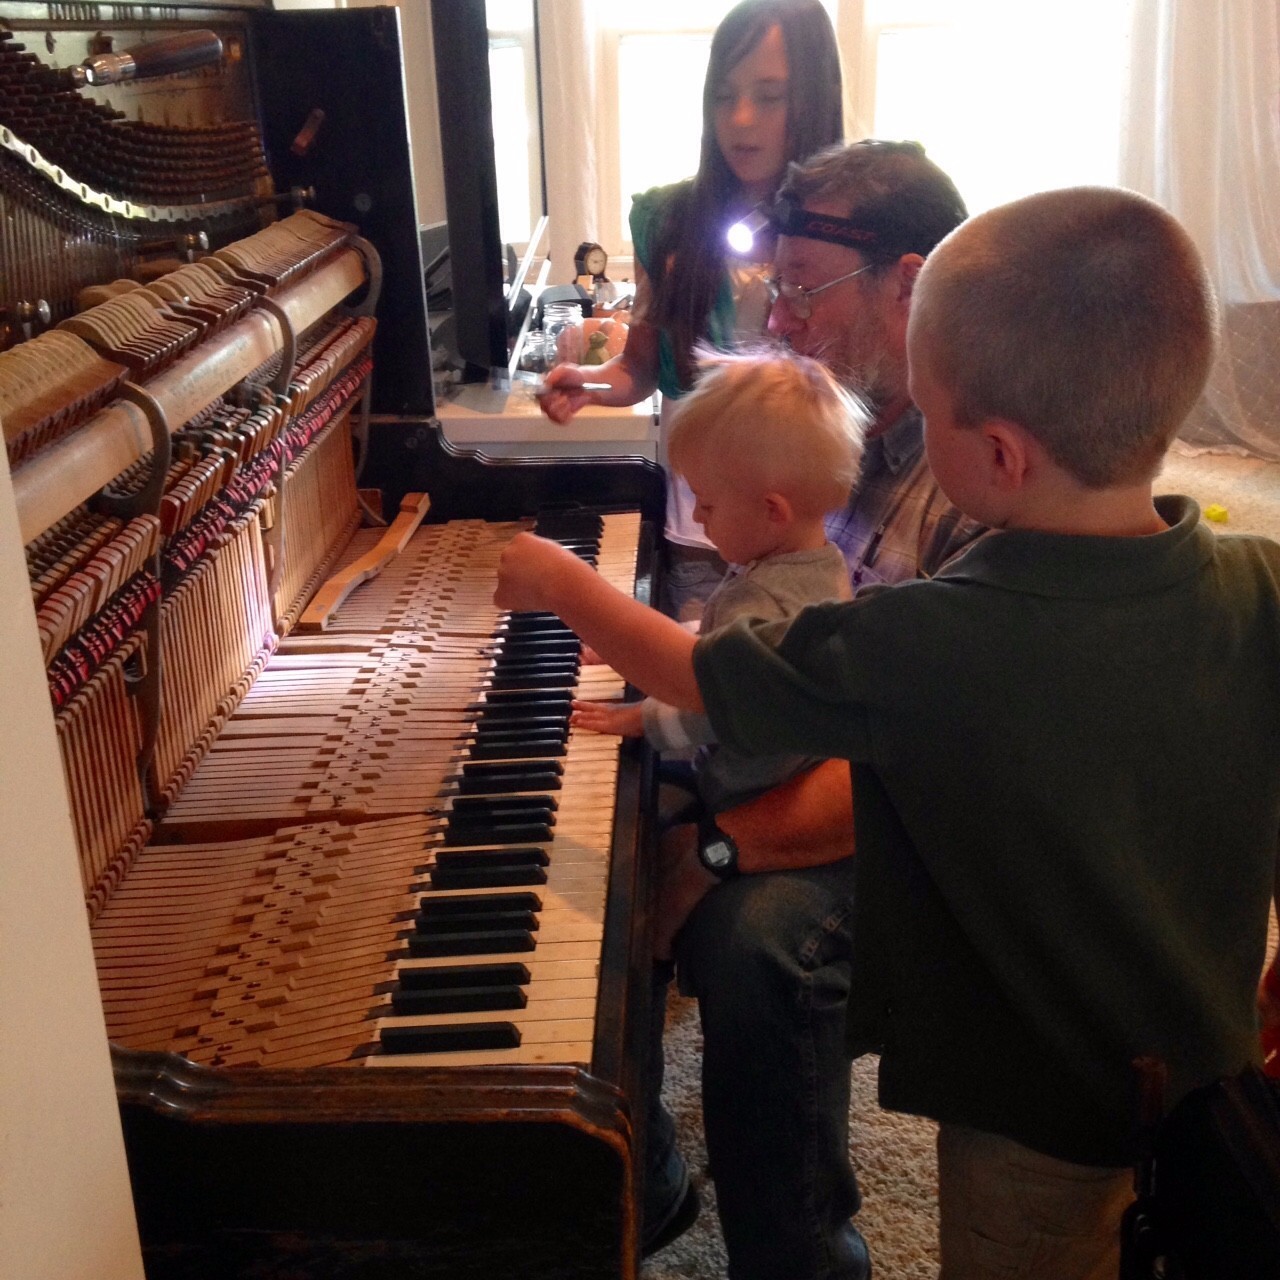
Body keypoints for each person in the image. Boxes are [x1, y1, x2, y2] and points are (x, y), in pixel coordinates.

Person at [494, 185, 1280, 1280]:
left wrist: (562, 583)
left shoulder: (941, 633)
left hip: (1030, 1110)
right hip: (1206, 1069)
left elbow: (698, 676)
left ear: (999, 453)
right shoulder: (1260, 583)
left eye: (928, 409)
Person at [539, 0, 844, 623]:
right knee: (695, 672)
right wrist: (592, 385)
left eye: (770, 96)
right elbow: (641, 369)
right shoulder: (669, 221)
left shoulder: (846, 229)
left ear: (813, 97)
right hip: (703, 526)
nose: (740, 118)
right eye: (723, 96)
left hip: (816, 533)